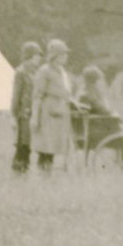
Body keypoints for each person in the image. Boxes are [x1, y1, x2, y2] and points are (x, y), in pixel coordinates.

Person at [30, 40, 75, 174]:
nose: (66, 56)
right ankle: (43, 175)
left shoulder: (62, 71)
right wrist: (35, 117)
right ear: (55, 55)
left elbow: (65, 92)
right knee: (46, 147)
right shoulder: (45, 71)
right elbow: (37, 95)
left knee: (54, 146)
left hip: (60, 112)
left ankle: (47, 174)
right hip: (47, 113)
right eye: (63, 54)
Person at [10, 40, 40, 175]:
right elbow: (16, 96)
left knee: (29, 143)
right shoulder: (21, 72)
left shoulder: (35, 72)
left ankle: (23, 169)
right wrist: (13, 116)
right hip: (24, 113)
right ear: (29, 56)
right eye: (36, 56)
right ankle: (19, 170)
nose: (39, 59)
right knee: (23, 143)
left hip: (33, 112)